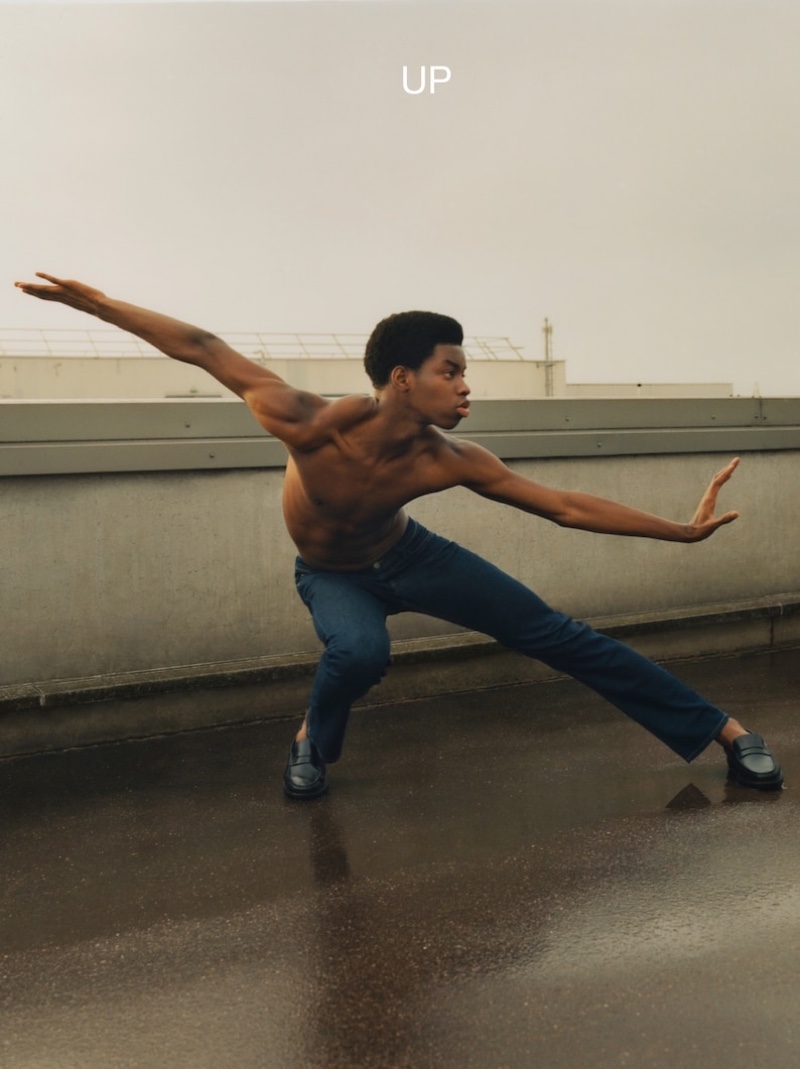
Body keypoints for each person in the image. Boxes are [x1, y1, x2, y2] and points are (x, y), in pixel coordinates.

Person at [16, 272, 784, 798]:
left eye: (465, 371)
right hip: (331, 573)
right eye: (450, 370)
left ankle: (726, 731)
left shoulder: (449, 459)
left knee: (557, 633)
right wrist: (99, 306)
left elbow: (563, 505)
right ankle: (312, 742)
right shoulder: (308, 421)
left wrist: (681, 534)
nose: (465, 385)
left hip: (413, 556)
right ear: (401, 378)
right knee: (358, 651)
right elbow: (203, 347)